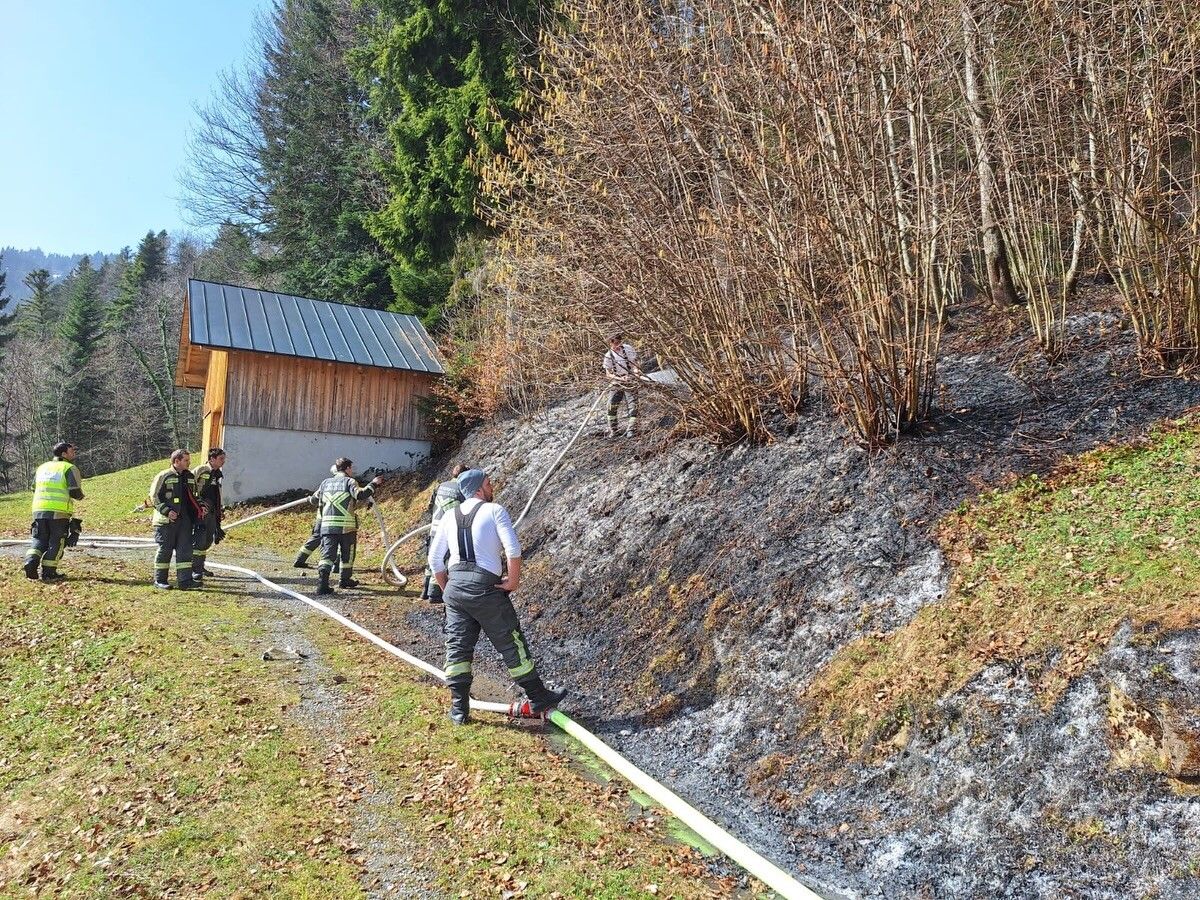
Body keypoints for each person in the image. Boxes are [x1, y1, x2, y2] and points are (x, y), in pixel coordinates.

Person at [428, 468, 566, 725]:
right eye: (489, 484)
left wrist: (448, 589)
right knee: (510, 643)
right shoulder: (495, 511)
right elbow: (513, 549)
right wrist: (513, 581)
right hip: (486, 589)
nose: (492, 488)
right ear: (479, 489)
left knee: (457, 646)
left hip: (455, 588)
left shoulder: (448, 516)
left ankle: (459, 709)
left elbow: (435, 560)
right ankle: (537, 697)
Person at [311, 457, 382, 596]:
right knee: (347, 554)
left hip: (327, 527)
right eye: (351, 468)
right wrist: (374, 484)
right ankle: (345, 580)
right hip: (346, 527)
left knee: (327, 556)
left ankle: (322, 585)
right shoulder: (349, 481)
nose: (352, 471)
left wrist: (308, 498)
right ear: (348, 468)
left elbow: (314, 499)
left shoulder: (325, 483)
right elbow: (360, 494)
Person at [23, 441, 85, 582]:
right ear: (64, 454)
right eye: (71, 451)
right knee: (57, 542)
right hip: (59, 511)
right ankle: (49, 573)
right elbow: (74, 491)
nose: (74, 453)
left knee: (39, 539)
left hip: (38, 509)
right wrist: (80, 496)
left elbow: (33, 487)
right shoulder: (69, 468)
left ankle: (30, 561)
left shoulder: (42, 467)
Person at [149, 449, 204, 590]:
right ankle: (160, 580)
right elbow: (154, 497)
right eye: (186, 460)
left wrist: (201, 508)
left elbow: (195, 496)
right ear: (176, 461)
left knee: (185, 551)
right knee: (165, 550)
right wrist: (167, 511)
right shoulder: (164, 476)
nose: (189, 462)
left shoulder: (190, 477)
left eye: (188, 460)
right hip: (166, 522)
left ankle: (185, 581)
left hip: (185, 521)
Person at [421, 463, 467, 603]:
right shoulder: (462, 489)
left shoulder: (441, 485)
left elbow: (430, 506)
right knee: (442, 560)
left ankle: (425, 591)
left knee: (431, 560)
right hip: (447, 530)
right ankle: (435, 594)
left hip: (434, 527)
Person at [190, 448, 227, 582]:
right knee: (199, 540)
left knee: (207, 540)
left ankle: (201, 566)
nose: (223, 461)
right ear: (212, 459)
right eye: (221, 458)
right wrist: (198, 505)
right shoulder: (201, 470)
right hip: (201, 511)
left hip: (212, 511)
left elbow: (216, 493)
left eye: (224, 458)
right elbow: (191, 488)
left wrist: (219, 510)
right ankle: (194, 568)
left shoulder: (217, 474)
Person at [603, 331, 641, 438]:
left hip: (630, 379)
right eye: (614, 344)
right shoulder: (608, 356)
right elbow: (608, 374)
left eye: (618, 343)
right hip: (616, 382)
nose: (617, 346)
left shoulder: (628, 349)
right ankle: (614, 430)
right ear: (610, 343)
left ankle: (631, 430)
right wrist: (619, 378)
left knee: (633, 405)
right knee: (611, 405)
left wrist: (636, 372)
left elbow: (635, 364)